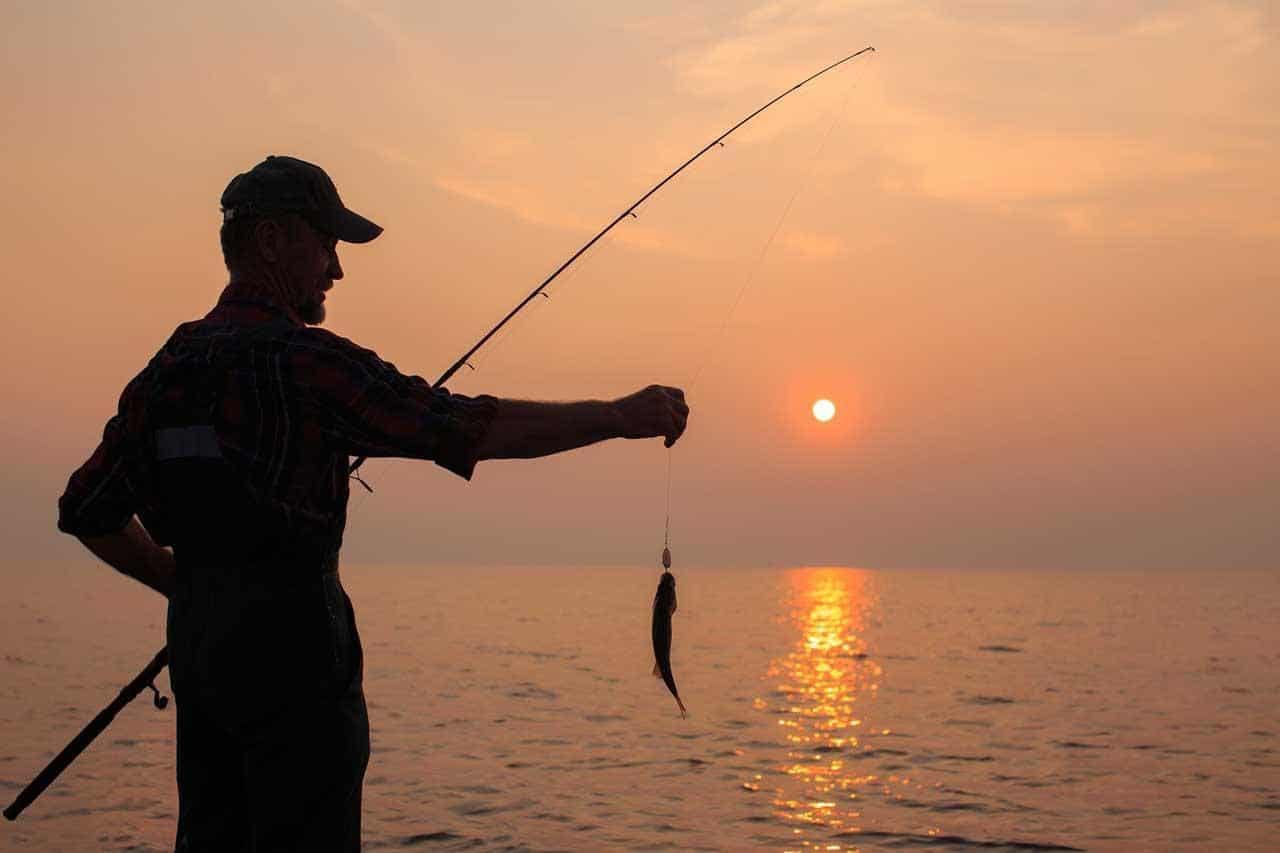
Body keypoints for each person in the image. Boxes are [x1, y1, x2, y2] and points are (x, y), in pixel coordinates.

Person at [56, 155, 689, 852]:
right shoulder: (311, 364)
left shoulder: (166, 370)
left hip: (203, 659)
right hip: (299, 667)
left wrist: (180, 580)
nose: (336, 268)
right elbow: (468, 426)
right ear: (271, 241)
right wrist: (617, 415)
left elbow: (88, 508)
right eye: (326, 243)